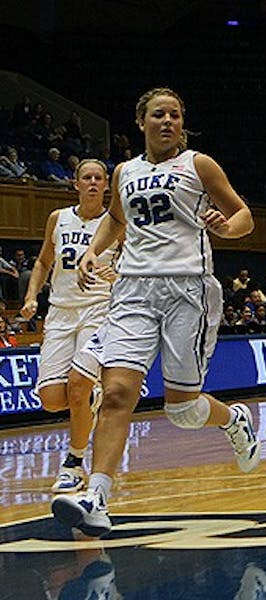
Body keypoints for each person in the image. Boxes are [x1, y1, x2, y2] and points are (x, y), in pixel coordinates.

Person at [50, 87, 260, 538]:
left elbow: (243, 215)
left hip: (189, 289)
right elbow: (116, 219)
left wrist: (228, 227)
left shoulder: (199, 165)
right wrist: (93, 250)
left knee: (181, 411)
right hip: (133, 291)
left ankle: (233, 419)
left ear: (183, 123)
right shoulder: (124, 171)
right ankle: (97, 497)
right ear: (141, 121)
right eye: (159, 114)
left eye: (176, 115)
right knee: (118, 392)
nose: (168, 121)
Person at [20, 159, 120, 493]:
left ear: (107, 185)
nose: (92, 183)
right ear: (75, 184)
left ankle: (74, 463)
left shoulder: (116, 223)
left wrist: (116, 277)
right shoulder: (58, 219)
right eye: (86, 178)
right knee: (51, 399)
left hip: (98, 311)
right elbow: (43, 261)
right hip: (60, 314)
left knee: (77, 385)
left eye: (98, 178)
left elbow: (134, 272)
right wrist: (32, 295)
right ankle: (88, 401)